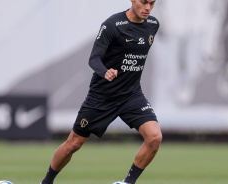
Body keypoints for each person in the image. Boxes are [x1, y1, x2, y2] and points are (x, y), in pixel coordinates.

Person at [40, 0, 162, 184]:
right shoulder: (112, 25)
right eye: (144, 2)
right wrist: (105, 71)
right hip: (102, 96)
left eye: (152, 3)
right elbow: (94, 58)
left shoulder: (153, 24)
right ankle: (46, 182)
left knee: (154, 138)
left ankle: (127, 183)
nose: (148, 8)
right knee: (73, 144)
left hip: (131, 94)